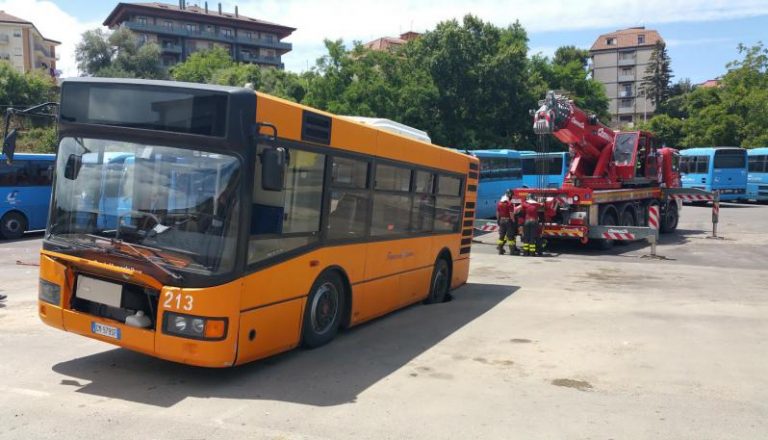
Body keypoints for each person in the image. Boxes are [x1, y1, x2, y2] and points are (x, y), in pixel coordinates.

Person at [495, 190, 514, 255]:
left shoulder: (499, 203)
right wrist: (513, 220)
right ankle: (512, 251)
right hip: (508, 221)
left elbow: (497, 213)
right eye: (511, 195)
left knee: (501, 236)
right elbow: (511, 213)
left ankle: (500, 250)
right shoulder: (509, 203)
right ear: (509, 195)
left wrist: (498, 220)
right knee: (510, 236)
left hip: (501, 220)